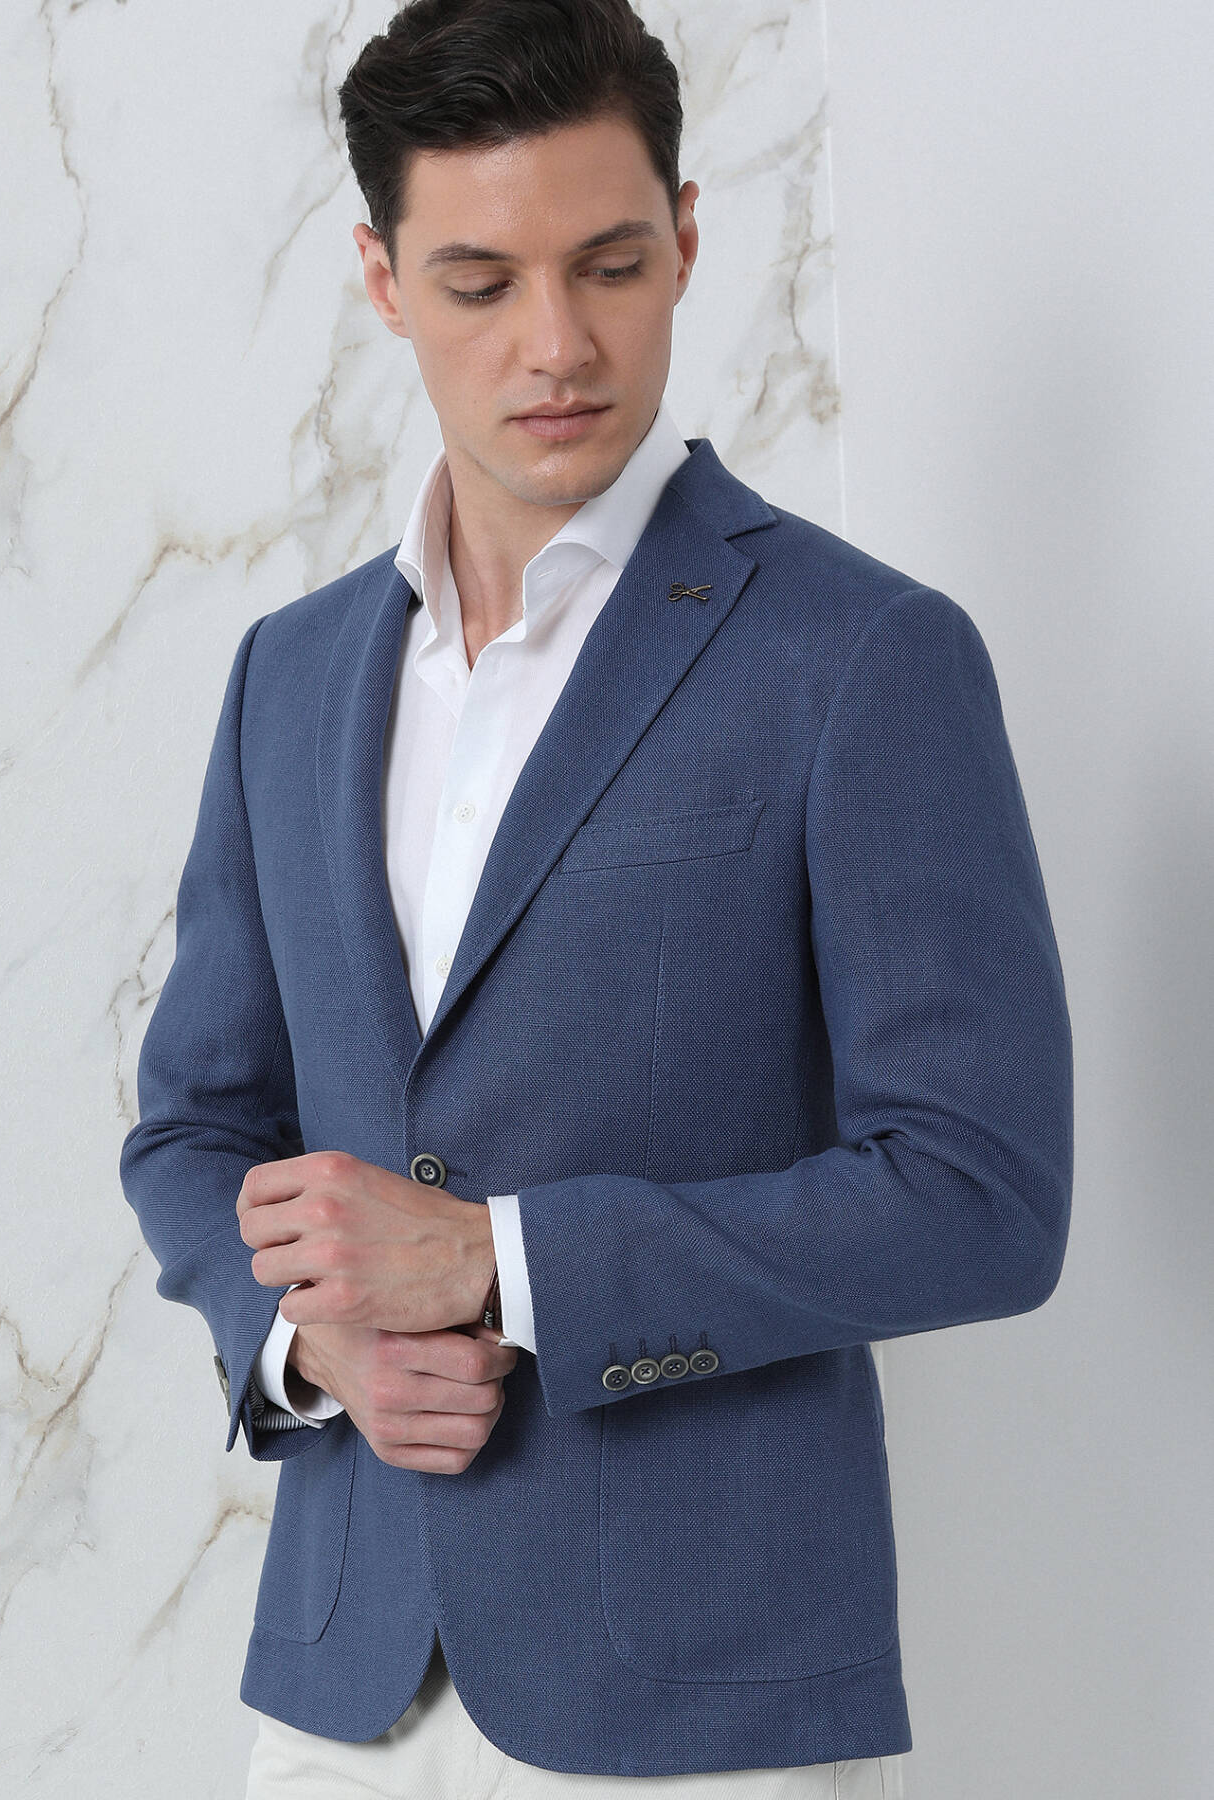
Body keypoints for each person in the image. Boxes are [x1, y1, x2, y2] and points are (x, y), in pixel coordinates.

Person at [119, 0, 1074, 1794]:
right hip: (342, 1690)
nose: (556, 344)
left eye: (610, 266)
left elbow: (980, 1198)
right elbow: (194, 1128)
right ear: (382, 281)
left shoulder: (861, 658)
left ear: (687, 241)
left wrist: (502, 1265)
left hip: (700, 1700)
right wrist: (306, 1344)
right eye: (479, 283)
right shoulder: (290, 677)